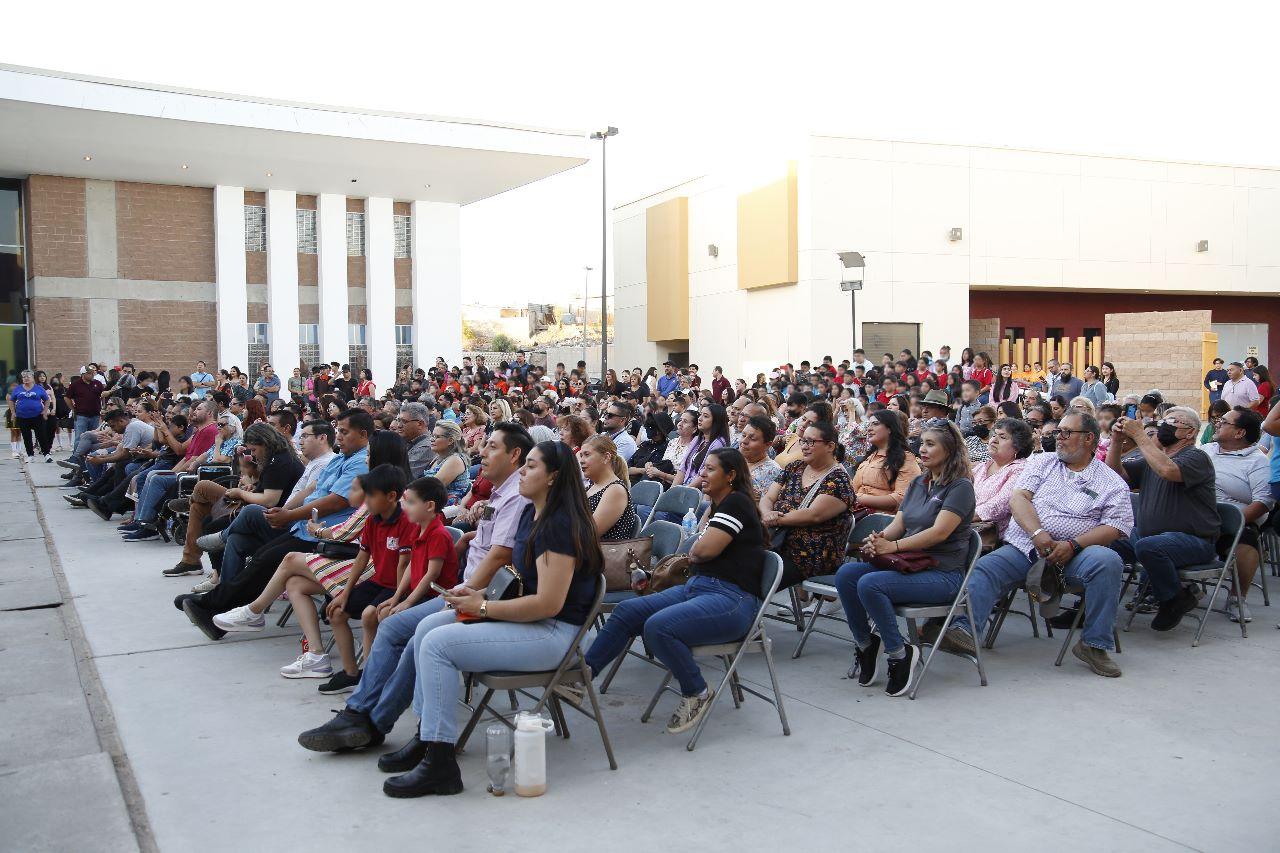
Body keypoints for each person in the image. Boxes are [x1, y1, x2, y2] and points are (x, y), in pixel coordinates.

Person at [372, 440, 602, 798]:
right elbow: (523, 581)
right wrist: (479, 595)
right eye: (523, 464)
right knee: (427, 627)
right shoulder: (532, 512)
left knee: (437, 645)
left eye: (531, 466)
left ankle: (440, 763)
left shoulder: (560, 525)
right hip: (534, 622)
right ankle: (428, 737)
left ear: (553, 477)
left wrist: (481, 608)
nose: (522, 472)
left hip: (557, 635)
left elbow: (548, 604)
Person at [297, 423, 533, 754]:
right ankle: (365, 718)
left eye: (491, 447)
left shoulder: (516, 497)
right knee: (397, 628)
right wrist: (470, 537)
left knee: (403, 630)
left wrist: (460, 593)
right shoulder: (499, 493)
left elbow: (501, 555)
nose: (482, 452)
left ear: (515, 455)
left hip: (481, 596)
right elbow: (491, 546)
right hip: (469, 588)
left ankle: (369, 719)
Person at [584, 448, 765, 731]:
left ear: (730, 475)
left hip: (731, 599)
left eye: (711, 470)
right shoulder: (719, 505)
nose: (702, 474)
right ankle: (581, 677)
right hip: (699, 587)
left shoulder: (737, 504)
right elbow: (698, 552)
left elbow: (703, 549)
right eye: (703, 468)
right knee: (627, 611)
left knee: (659, 627)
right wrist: (696, 552)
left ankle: (698, 692)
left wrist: (697, 551)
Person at [944, 412, 1131, 676]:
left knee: (1109, 561)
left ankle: (1093, 644)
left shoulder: (1110, 481)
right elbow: (1019, 499)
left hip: (1077, 554)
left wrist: (1074, 545)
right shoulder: (1042, 462)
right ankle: (964, 630)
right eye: (1058, 432)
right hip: (1027, 546)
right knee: (986, 567)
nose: (1059, 438)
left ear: (1089, 439)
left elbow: (1116, 526)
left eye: (1067, 433)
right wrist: (1038, 533)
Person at [177, 410, 371, 638]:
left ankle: (215, 605)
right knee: (246, 543)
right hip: (303, 527)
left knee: (264, 555)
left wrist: (289, 515)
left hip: (325, 536)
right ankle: (219, 609)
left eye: (344, 432)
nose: (338, 436)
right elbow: (312, 490)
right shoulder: (339, 459)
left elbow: (336, 502)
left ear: (363, 434)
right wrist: (286, 512)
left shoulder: (359, 463)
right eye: (338, 431)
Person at [835, 421, 976, 697]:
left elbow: (939, 533)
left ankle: (899, 653)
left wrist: (893, 547)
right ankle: (865, 644)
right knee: (846, 576)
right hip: (910, 564)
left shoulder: (960, 487)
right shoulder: (918, 482)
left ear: (950, 449)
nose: (922, 449)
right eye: (922, 443)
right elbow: (898, 525)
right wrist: (878, 539)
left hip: (944, 574)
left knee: (870, 584)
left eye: (931, 444)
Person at [1106, 406, 1219, 632]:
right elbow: (1115, 475)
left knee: (1150, 547)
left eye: (1173, 422)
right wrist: (1117, 441)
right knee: (1104, 540)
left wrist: (1139, 435)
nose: (1164, 426)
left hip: (1193, 541)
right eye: (1164, 421)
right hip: (1149, 537)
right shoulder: (1155, 458)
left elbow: (1169, 471)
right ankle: (1090, 606)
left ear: (1190, 433)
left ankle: (1174, 599)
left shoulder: (1196, 457)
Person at [164, 421, 303, 578]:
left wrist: (241, 493)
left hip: (265, 512)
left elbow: (269, 500)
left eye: (254, 450)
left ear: (264, 443)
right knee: (199, 508)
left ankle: (210, 571)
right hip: (254, 503)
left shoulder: (278, 462)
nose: (253, 454)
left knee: (203, 493)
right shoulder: (275, 457)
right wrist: (252, 487)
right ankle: (192, 561)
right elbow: (267, 488)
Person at [760, 420, 856, 587]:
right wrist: (767, 513)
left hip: (809, 555)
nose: (804, 446)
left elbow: (814, 515)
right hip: (777, 542)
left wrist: (775, 519)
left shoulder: (838, 480)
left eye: (810, 442)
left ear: (830, 446)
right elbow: (768, 497)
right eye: (803, 440)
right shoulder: (794, 467)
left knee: (749, 574)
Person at [1199, 408, 1273, 623]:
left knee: (1246, 540)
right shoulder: (1206, 450)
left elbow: (1263, 502)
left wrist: (1235, 522)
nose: (1217, 423)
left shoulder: (1257, 461)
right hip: (1197, 517)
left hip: (1235, 522)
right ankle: (1178, 591)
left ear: (1239, 433)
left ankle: (1236, 597)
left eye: (1223, 421)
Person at [971, 417, 1034, 538]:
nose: (994, 440)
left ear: (1018, 446)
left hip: (989, 537)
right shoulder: (983, 466)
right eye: (994, 435)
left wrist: (959, 518)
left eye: (1002, 437)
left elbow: (1000, 505)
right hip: (963, 525)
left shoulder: (1021, 470)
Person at [852, 410, 922, 513]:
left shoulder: (905, 458)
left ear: (890, 429)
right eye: (869, 424)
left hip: (882, 522)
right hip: (856, 513)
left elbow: (902, 498)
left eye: (875, 424)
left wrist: (858, 499)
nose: (869, 429)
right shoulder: (869, 457)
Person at [580, 434, 640, 541]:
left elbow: (589, 534)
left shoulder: (616, 490)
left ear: (606, 457)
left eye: (587, 455)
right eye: (581, 455)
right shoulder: (592, 486)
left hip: (603, 555)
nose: (581, 460)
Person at [676, 403, 729, 490]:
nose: (700, 419)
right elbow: (683, 468)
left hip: (700, 491)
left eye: (705, 416)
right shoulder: (697, 439)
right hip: (686, 485)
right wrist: (672, 490)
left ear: (716, 421)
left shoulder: (719, 444)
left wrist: (685, 490)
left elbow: (706, 473)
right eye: (700, 414)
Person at [422, 420, 471, 506]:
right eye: (432, 435)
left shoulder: (455, 460)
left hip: (447, 510)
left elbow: (432, 487)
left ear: (450, 441)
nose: (431, 439)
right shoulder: (438, 457)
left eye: (436, 437)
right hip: (431, 503)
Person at [9, 371, 53, 462]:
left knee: (41, 435)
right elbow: (11, 400)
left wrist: (45, 411)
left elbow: (47, 400)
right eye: (24, 377)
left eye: (28, 376)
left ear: (33, 378)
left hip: (37, 416)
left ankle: (46, 454)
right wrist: (13, 412)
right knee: (26, 436)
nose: (26, 378)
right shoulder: (18, 389)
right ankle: (30, 455)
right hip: (22, 416)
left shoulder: (39, 388)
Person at [739, 415, 783, 499]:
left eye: (753, 439)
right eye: (743, 435)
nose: (744, 441)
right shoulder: (736, 459)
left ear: (768, 445)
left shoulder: (772, 471)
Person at [396, 402, 436, 478]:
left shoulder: (427, 447)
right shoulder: (408, 441)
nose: (399, 425)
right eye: (398, 420)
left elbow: (401, 478)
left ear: (420, 424)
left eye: (404, 421)